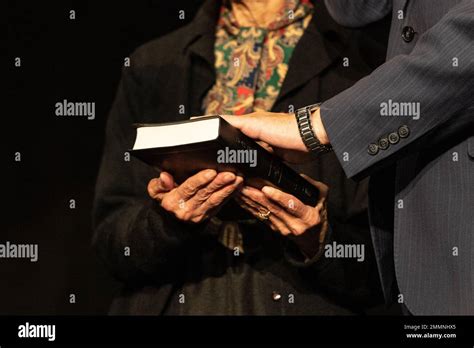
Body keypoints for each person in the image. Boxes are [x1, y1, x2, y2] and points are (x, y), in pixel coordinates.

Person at [93, 0, 390, 315]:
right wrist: (166, 223)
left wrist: (319, 241)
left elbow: (391, 264)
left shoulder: (365, 60)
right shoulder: (154, 64)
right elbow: (112, 244)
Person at [222, 0, 474, 315]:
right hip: (421, 248)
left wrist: (314, 127)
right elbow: (356, 9)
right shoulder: (162, 56)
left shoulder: (341, 58)